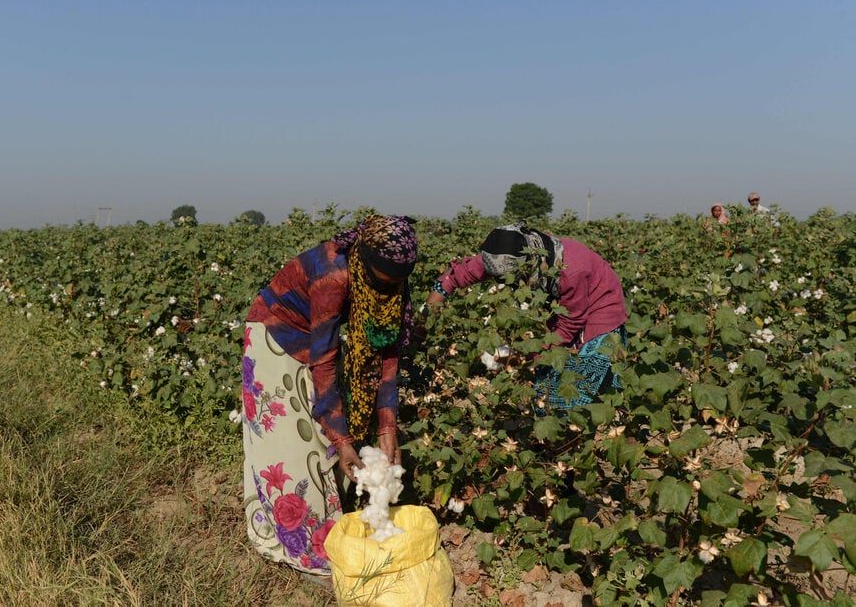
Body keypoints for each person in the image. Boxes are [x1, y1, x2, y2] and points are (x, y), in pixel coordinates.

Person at [241, 214, 418, 578]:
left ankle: (330, 534)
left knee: (321, 438)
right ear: (363, 263)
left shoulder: (393, 278)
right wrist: (342, 439)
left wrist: (387, 426)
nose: (386, 293)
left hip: (314, 341)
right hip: (277, 336)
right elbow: (323, 362)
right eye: (379, 284)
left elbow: (387, 350)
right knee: (295, 447)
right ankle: (303, 551)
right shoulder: (332, 276)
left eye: (394, 286)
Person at [425, 221, 627, 413]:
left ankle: (576, 435)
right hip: (561, 312)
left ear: (526, 265)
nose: (505, 283)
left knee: (578, 389)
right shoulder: (499, 254)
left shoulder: (571, 271)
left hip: (599, 311)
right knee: (546, 387)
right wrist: (427, 315)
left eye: (507, 277)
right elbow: (456, 275)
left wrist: (527, 357)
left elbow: (570, 324)